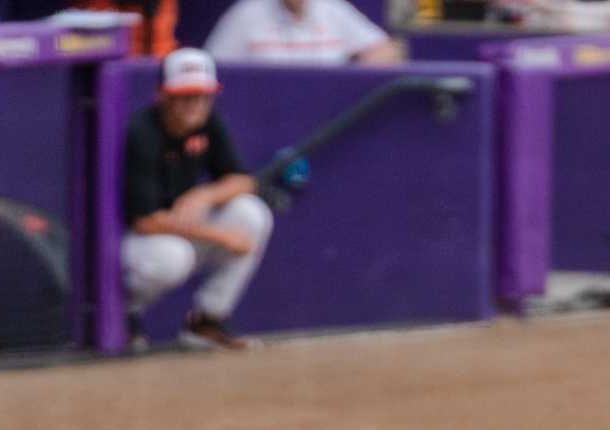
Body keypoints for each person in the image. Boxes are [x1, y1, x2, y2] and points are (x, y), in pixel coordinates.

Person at [121, 48, 273, 353]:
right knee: (173, 257)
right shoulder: (142, 132)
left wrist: (204, 195)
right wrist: (219, 234)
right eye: (185, 96)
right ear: (163, 95)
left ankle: (207, 322)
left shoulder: (208, 123)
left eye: (202, 96)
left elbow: (244, 181)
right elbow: (145, 221)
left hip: (176, 230)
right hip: (131, 242)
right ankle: (123, 316)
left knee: (251, 214)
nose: (195, 104)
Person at [203, 0, 405, 64]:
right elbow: (213, 66)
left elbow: (391, 51)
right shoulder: (247, 13)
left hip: (327, 121)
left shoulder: (332, 9)